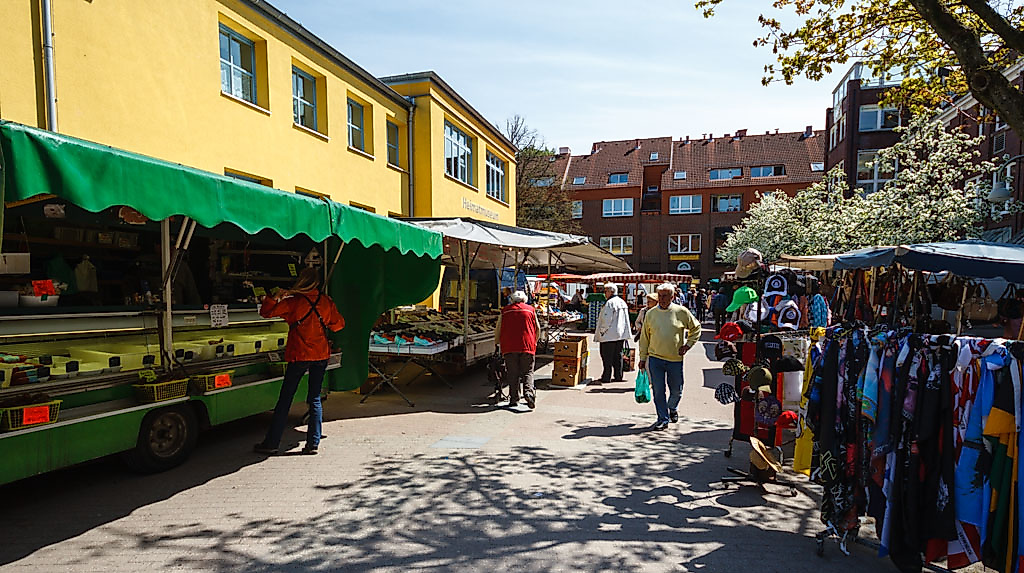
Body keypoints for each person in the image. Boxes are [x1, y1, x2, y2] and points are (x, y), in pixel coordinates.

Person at [254, 268, 345, 455]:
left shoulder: (293, 303)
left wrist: (275, 296)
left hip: (299, 355)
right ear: (317, 283)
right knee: (315, 398)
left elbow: (266, 312)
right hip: (320, 355)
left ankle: (272, 443)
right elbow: (339, 325)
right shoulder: (326, 302)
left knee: (285, 399)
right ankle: (313, 443)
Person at [638, 283, 702, 431]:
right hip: (655, 358)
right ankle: (662, 418)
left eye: (665, 296)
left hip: (675, 359)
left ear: (672, 297)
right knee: (658, 390)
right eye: (660, 296)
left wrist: (688, 345)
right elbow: (644, 337)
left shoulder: (681, 312)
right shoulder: (651, 313)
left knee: (676, 390)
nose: (662, 299)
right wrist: (642, 358)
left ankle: (672, 407)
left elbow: (696, 328)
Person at [494, 290, 540, 409]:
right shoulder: (530, 310)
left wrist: (497, 344)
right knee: (528, 372)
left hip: (509, 346)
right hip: (527, 345)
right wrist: (535, 341)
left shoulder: (505, 311)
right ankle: (528, 393)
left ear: (512, 300)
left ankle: (514, 399)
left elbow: (497, 329)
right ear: (524, 300)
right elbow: (538, 328)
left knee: (512, 373)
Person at [594, 283, 631, 382]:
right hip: (620, 334)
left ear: (611, 291)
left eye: (605, 291)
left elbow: (607, 319)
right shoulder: (622, 302)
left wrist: (602, 331)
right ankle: (618, 376)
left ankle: (606, 377)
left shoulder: (610, 303)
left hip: (609, 335)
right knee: (617, 356)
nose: (604, 293)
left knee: (607, 357)